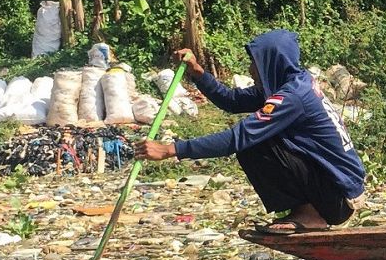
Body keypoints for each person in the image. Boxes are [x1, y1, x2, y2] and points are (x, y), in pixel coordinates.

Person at [135, 29, 365, 234]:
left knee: (253, 143)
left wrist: (171, 150)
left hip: (340, 198)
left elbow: (238, 137)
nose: (250, 69)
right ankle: (307, 209)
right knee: (255, 140)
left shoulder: (293, 96)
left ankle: (311, 215)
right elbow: (232, 101)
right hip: (336, 190)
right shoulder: (289, 82)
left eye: (254, 62)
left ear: (271, 62)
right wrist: (198, 73)